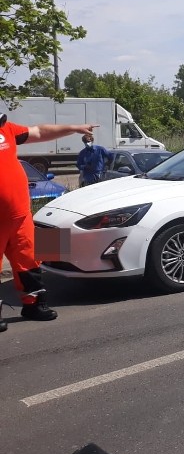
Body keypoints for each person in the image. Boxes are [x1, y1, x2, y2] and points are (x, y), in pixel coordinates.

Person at [0, 113, 97, 331]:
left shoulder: (6, 130)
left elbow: (40, 132)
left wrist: (74, 127)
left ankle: (34, 304)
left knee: (29, 259)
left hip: (20, 215)